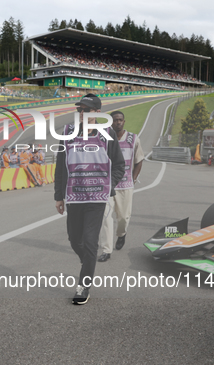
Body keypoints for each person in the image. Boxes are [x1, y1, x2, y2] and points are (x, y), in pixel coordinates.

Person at [54, 93, 125, 305]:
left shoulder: (108, 134)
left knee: (91, 240)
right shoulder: (67, 133)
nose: (81, 113)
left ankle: (83, 286)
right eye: (79, 110)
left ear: (97, 113)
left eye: (86, 110)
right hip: (74, 198)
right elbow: (60, 166)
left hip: (97, 199)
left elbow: (119, 165)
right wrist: (59, 196)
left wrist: (108, 184)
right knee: (75, 240)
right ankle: (88, 262)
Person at [97, 111, 144, 262]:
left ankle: (121, 234)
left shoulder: (133, 139)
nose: (117, 122)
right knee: (105, 217)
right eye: (114, 120)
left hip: (125, 185)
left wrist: (134, 177)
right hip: (107, 185)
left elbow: (139, 160)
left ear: (124, 121)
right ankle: (106, 249)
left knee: (123, 217)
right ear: (110, 123)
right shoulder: (103, 138)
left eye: (120, 120)